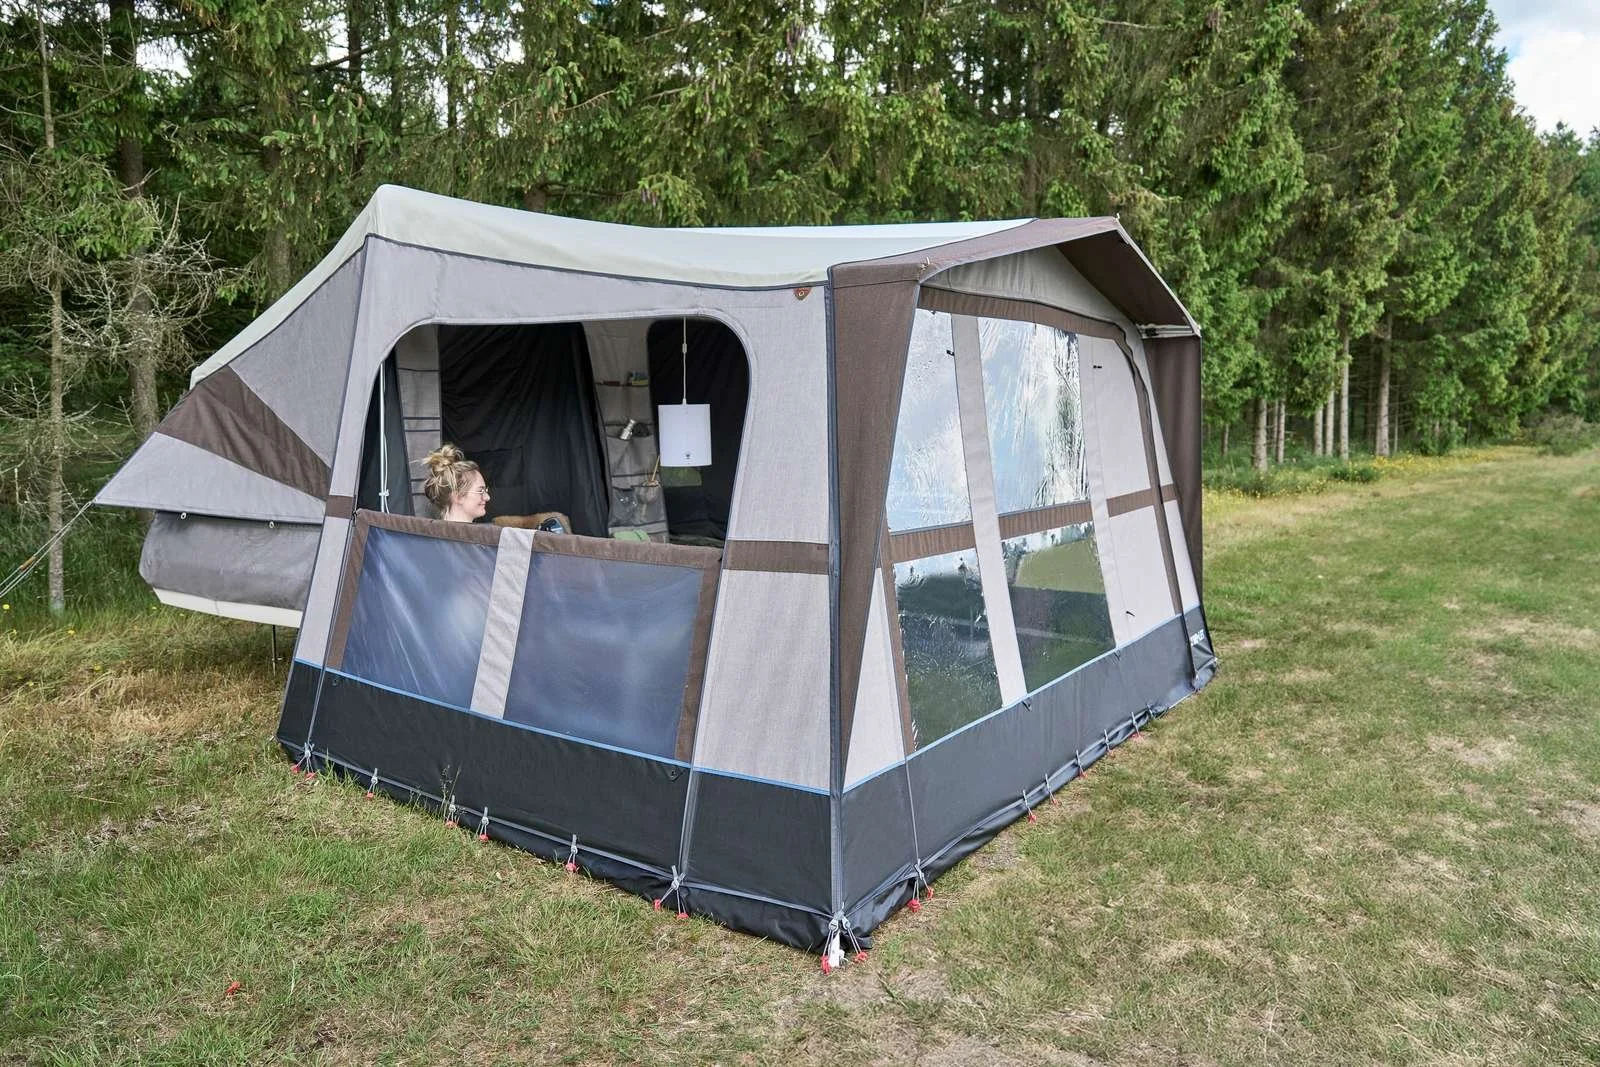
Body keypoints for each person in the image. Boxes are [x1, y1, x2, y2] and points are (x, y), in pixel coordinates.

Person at [423, 443, 490, 522]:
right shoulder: (477, 534)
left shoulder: (433, 533)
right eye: (480, 491)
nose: (487, 497)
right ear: (458, 496)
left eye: (485, 490)